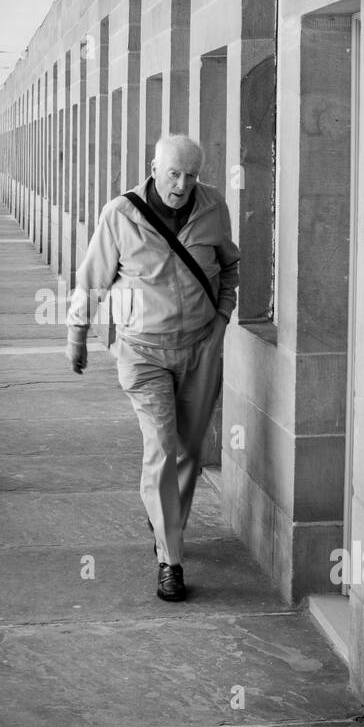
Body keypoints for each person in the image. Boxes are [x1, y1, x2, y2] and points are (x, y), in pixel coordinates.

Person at [66, 135, 239, 602]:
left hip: (201, 348)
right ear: (154, 168)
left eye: (191, 175)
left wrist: (221, 322)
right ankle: (171, 560)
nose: (181, 185)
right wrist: (77, 334)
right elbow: (91, 280)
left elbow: (230, 268)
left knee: (189, 452)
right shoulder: (119, 214)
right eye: (173, 173)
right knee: (162, 448)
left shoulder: (213, 207)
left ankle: (165, 524)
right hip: (143, 351)